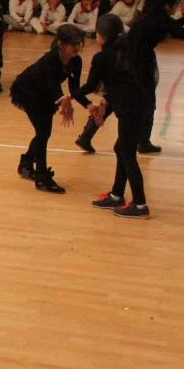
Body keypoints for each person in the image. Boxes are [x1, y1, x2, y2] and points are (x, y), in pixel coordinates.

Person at [74, 0, 178, 155]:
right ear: (167, 5)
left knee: (113, 97)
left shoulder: (147, 16)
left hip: (130, 59)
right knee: (147, 100)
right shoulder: (157, 19)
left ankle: (86, 135)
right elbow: (181, 31)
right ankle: (143, 141)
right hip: (139, 63)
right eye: (175, 3)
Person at [76, 14, 152, 219]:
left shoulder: (102, 57)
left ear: (100, 36)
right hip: (140, 105)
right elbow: (123, 82)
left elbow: (90, 86)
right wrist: (108, 98)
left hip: (131, 109)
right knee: (121, 148)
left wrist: (72, 94)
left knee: (127, 153)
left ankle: (140, 204)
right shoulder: (126, 50)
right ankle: (116, 195)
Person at [9, 25, 87, 194]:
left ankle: (26, 163)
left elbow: (74, 89)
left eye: (79, 44)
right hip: (28, 91)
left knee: (43, 133)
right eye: (72, 44)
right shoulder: (51, 59)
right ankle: (42, 178)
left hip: (46, 94)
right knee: (43, 133)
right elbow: (53, 84)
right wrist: (63, 101)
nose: (76, 47)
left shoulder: (76, 61)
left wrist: (89, 106)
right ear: (61, 44)